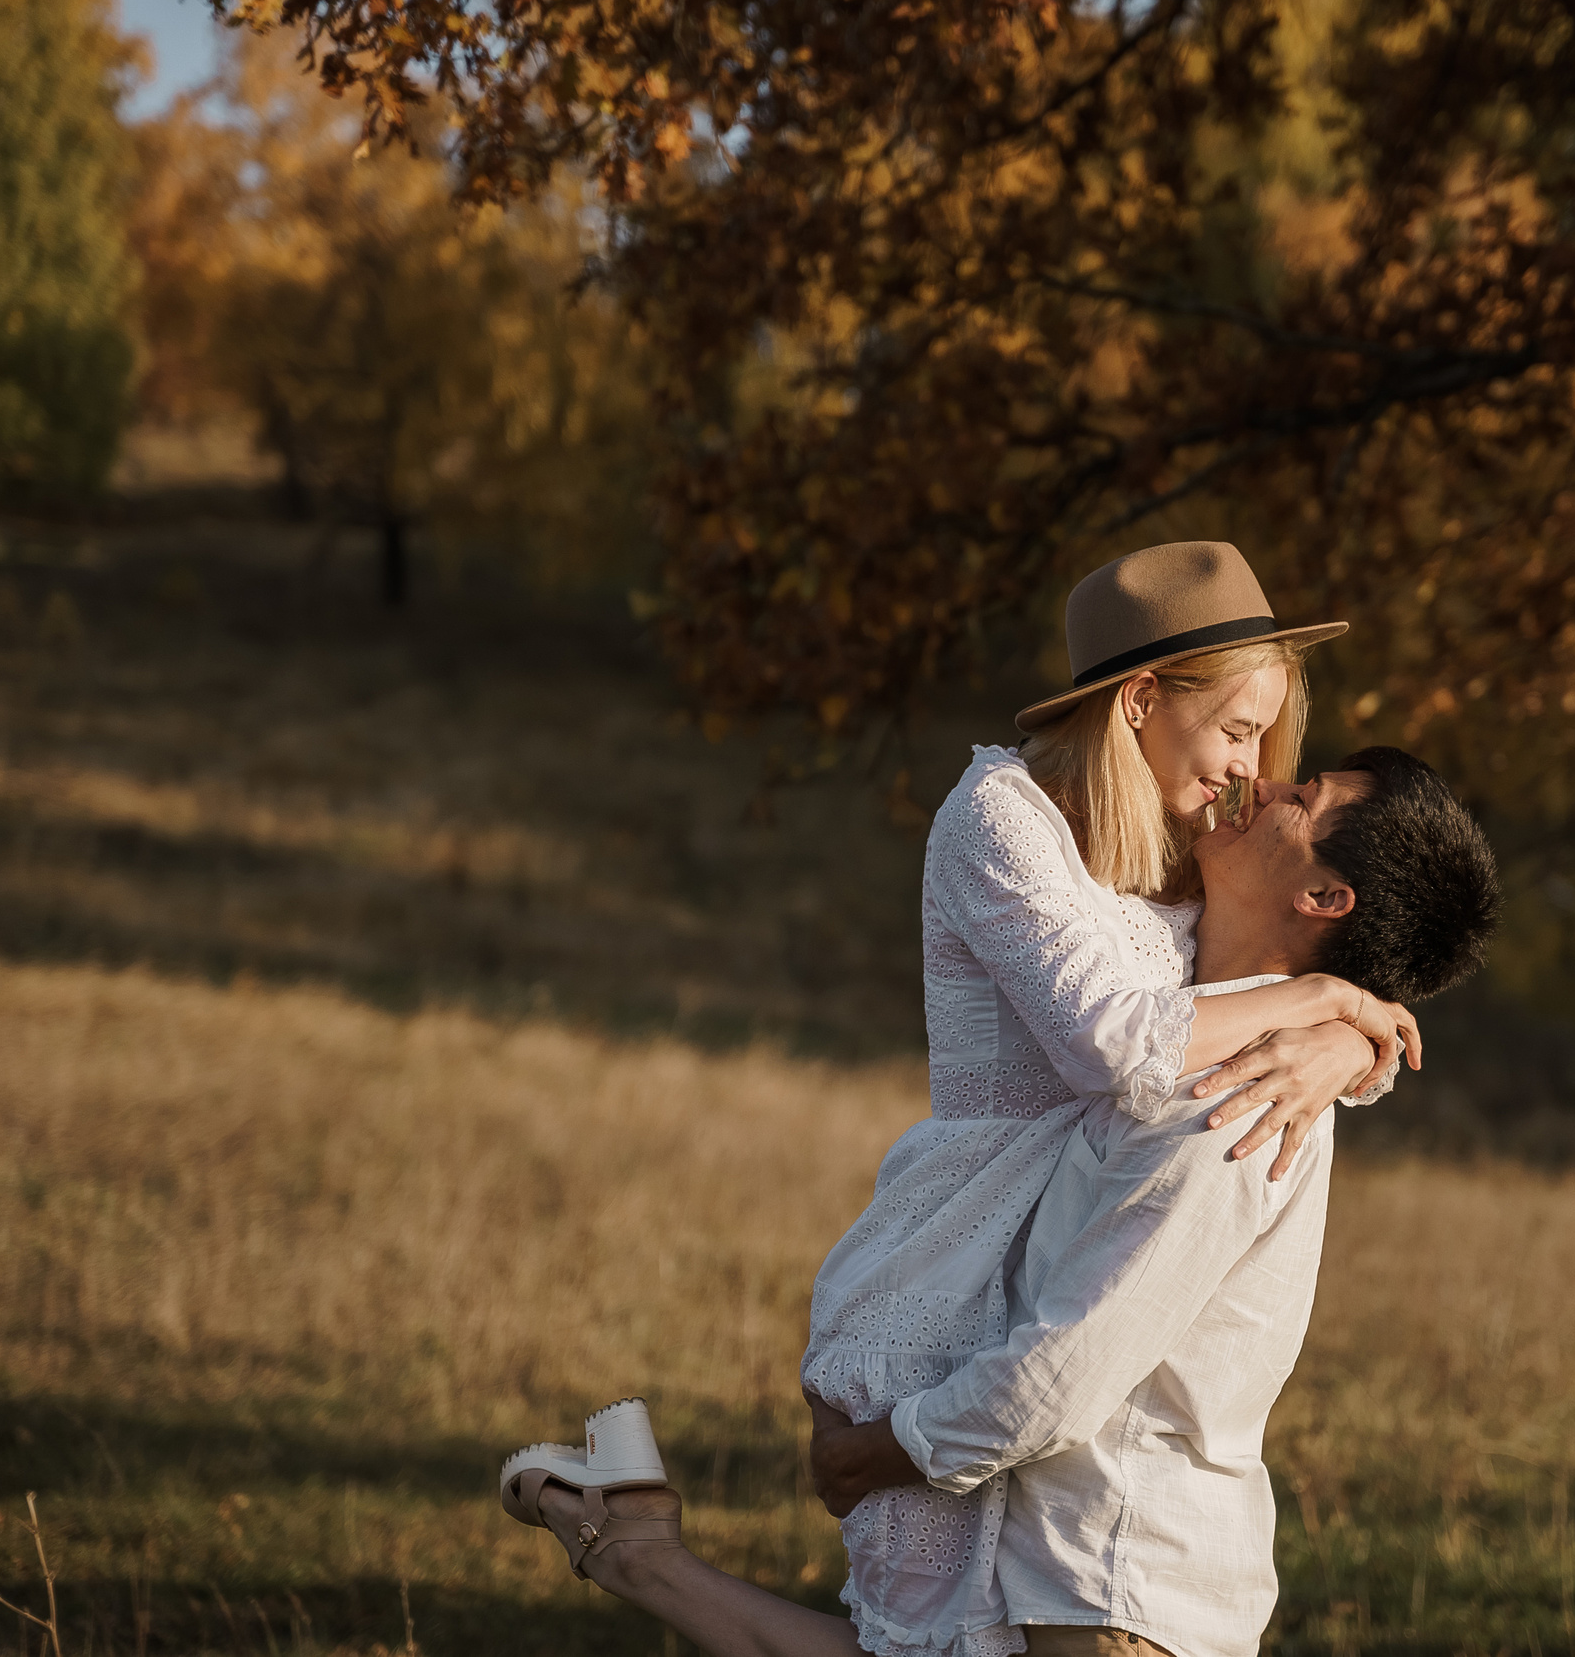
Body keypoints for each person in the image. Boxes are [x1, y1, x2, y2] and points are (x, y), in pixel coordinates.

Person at [500, 542, 1419, 1654]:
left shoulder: (1188, 856)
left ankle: (630, 1544)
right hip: (950, 1269)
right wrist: (1325, 1001)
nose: (1250, 772)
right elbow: (1118, 1042)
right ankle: (634, 1547)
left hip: (1048, 1268)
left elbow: (1321, 931)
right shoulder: (1003, 820)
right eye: (1237, 732)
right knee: (919, 1642)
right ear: (1138, 703)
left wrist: (1342, 1040)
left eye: (1270, 746)